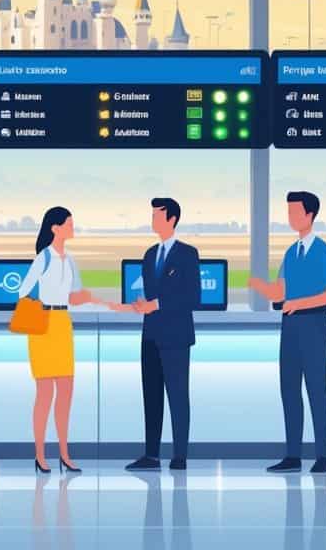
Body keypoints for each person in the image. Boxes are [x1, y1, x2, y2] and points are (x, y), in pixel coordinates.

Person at [249, 191, 326, 474]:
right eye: (288, 212)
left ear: (310, 215)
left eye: (294, 212)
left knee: (316, 389)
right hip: (290, 325)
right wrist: (258, 286)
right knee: (289, 389)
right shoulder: (292, 252)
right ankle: (292, 455)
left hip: (314, 324)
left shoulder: (323, 251)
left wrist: (299, 302)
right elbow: (281, 290)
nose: (290, 218)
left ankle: (322, 456)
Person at [112, 197, 200, 472]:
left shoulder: (187, 254)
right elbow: (150, 293)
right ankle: (151, 455)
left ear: (171, 219)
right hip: (150, 334)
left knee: (177, 395)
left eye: (157, 215)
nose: (153, 220)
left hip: (175, 336)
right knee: (151, 396)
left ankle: (179, 455)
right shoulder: (150, 255)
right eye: (151, 215)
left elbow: (192, 296)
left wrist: (157, 304)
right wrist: (142, 305)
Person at [16, 206, 97, 474]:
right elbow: (23, 289)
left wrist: (84, 297)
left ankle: (64, 453)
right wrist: (44, 300)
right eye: (69, 224)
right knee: (44, 395)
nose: (73, 228)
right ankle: (39, 454)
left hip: (63, 324)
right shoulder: (44, 258)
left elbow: (72, 295)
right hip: (43, 324)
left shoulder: (70, 260)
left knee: (65, 395)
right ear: (55, 227)